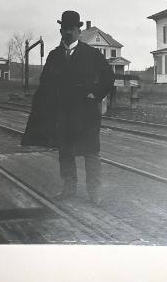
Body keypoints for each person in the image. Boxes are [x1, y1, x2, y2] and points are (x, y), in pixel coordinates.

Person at [21, 10, 115, 204]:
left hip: (86, 114)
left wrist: (95, 94)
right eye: (65, 28)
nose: (68, 32)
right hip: (62, 114)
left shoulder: (92, 54)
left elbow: (108, 77)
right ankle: (69, 189)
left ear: (79, 31)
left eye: (72, 29)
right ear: (61, 30)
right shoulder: (54, 56)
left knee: (91, 153)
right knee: (65, 152)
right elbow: (45, 82)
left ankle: (94, 193)